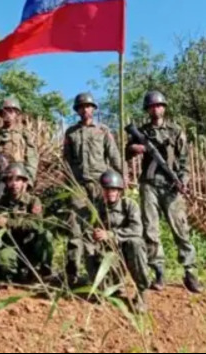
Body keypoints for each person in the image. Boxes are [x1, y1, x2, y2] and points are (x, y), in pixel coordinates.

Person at [126, 91, 203, 294]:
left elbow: (185, 160)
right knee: (151, 230)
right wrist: (136, 148)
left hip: (170, 185)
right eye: (152, 106)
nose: (155, 109)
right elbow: (126, 152)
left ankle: (190, 273)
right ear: (148, 110)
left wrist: (182, 181)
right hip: (149, 184)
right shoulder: (142, 131)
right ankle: (158, 272)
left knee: (181, 230)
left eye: (159, 105)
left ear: (164, 107)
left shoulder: (176, 131)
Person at [62, 92, 123, 287]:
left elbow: (114, 157)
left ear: (94, 109)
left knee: (102, 227)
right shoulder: (70, 133)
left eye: (88, 106)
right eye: (81, 107)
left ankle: (102, 273)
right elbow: (66, 161)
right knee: (75, 228)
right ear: (77, 110)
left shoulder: (103, 131)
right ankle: (71, 272)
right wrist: (68, 183)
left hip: (100, 186)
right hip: (78, 186)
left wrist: (123, 178)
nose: (85, 109)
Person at [76, 170, 150, 312]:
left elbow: (137, 230)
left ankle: (141, 292)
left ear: (119, 191)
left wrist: (111, 234)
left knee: (136, 243)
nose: (110, 192)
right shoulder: (97, 207)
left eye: (113, 189)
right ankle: (102, 286)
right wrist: (94, 234)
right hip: (108, 253)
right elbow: (87, 228)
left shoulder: (129, 205)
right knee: (87, 247)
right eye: (106, 189)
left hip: (126, 252)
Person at [0, 163, 54, 283]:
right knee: (4, 260)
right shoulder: (0, 203)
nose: (14, 184)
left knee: (46, 235)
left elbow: (36, 224)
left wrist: (8, 222)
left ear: (24, 182)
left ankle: (43, 271)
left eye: (18, 180)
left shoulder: (33, 201)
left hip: (30, 246)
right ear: (6, 183)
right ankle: (6, 274)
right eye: (10, 180)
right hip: (11, 246)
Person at [0, 97, 39, 201]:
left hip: (19, 179)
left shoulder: (25, 135)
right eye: (4, 112)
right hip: (0, 179)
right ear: (1, 114)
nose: (7, 115)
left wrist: (28, 181)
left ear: (17, 114)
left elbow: (32, 160)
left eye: (11, 111)